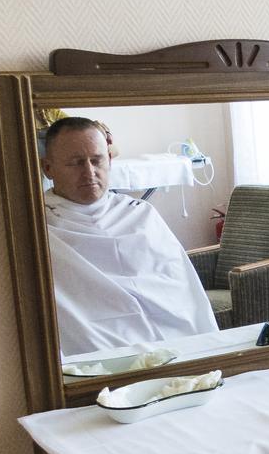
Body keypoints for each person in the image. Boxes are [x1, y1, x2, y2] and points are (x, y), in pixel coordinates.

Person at [43, 117, 218, 356]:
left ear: (110, 161)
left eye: (97, 160)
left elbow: (180, 287)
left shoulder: (141, 213)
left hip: (174, 337)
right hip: (97, 346)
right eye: (75, 163)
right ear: (48, 168)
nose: (89, 172)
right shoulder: (38, 227)